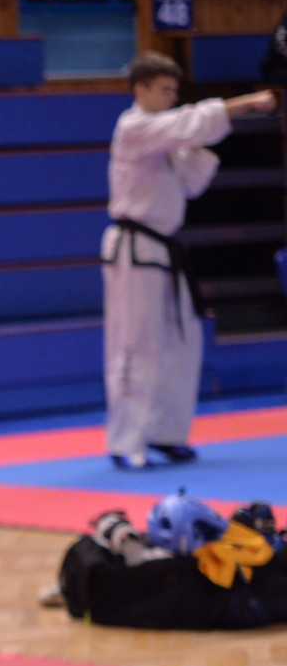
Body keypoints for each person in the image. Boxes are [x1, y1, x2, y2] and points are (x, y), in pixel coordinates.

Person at [103, 53, 276, 469]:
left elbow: (190, 186)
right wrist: (248, 102)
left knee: (184, 341)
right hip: (135, 249)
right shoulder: (133, 127)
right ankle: (126, 441)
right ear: (140, 88)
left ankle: (166, 433)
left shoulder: (164, 139)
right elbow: (187, 122)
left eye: (174, 92)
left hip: (166, 249)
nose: (170, 98)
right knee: (136, 346)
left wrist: (194, 149)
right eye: (164, 90)